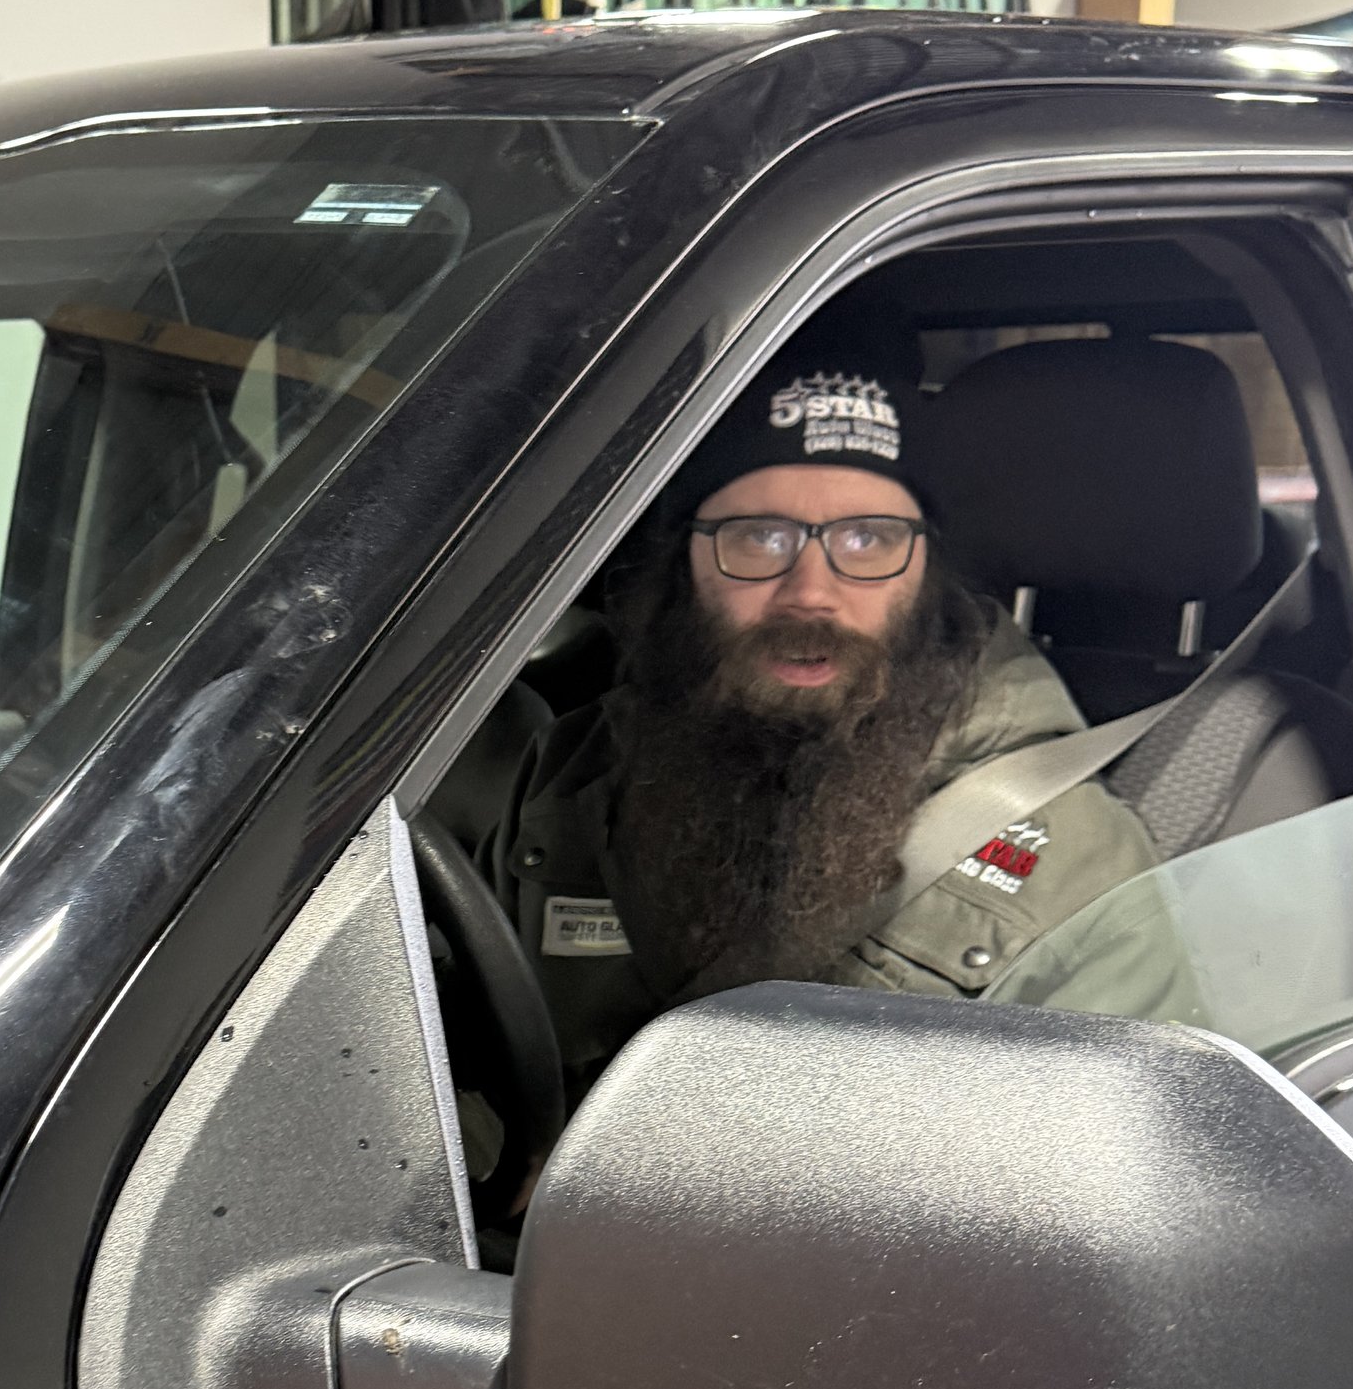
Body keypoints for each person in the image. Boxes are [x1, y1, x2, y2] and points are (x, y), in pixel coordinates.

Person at [487, 333, 1201, 1099]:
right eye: (759, 537)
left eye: (868, 539)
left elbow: (1113, 1175)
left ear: (926, 568)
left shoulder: (1079, 863)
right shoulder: (573, 773)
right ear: (682, 559)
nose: (812, 592)